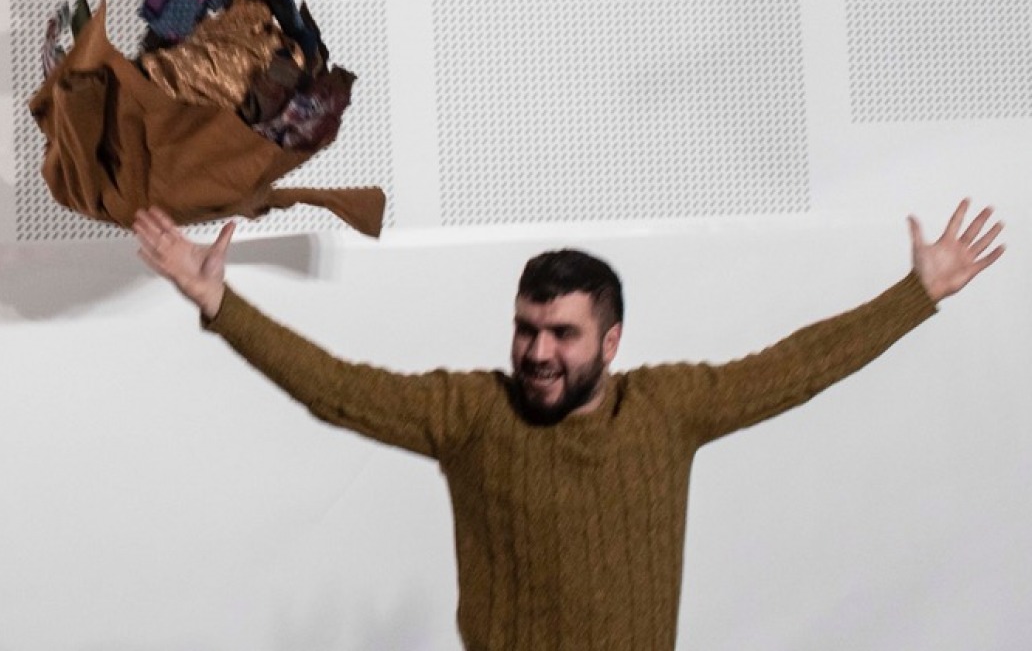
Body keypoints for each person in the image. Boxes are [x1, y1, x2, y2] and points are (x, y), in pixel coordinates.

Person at [132, 201, 1006, 651]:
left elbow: (797, 368)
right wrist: (220, 302)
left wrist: (917, 293)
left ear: (611, 341)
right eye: (527, 328)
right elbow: (336, 389)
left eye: (562, 333)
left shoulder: (669, 409)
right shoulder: (472, 413)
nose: (538, 351)